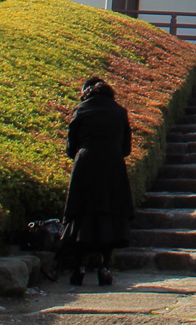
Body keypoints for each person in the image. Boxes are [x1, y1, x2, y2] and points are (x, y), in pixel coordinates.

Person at [59, 77, 133, 287]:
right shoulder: (120, 112)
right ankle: (105, 265)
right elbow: (126, 148)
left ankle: (79, 266)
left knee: (81, 213)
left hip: (86, 162)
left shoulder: (81, 110)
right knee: (109, 213)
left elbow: (70, 145)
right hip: (112, 164)